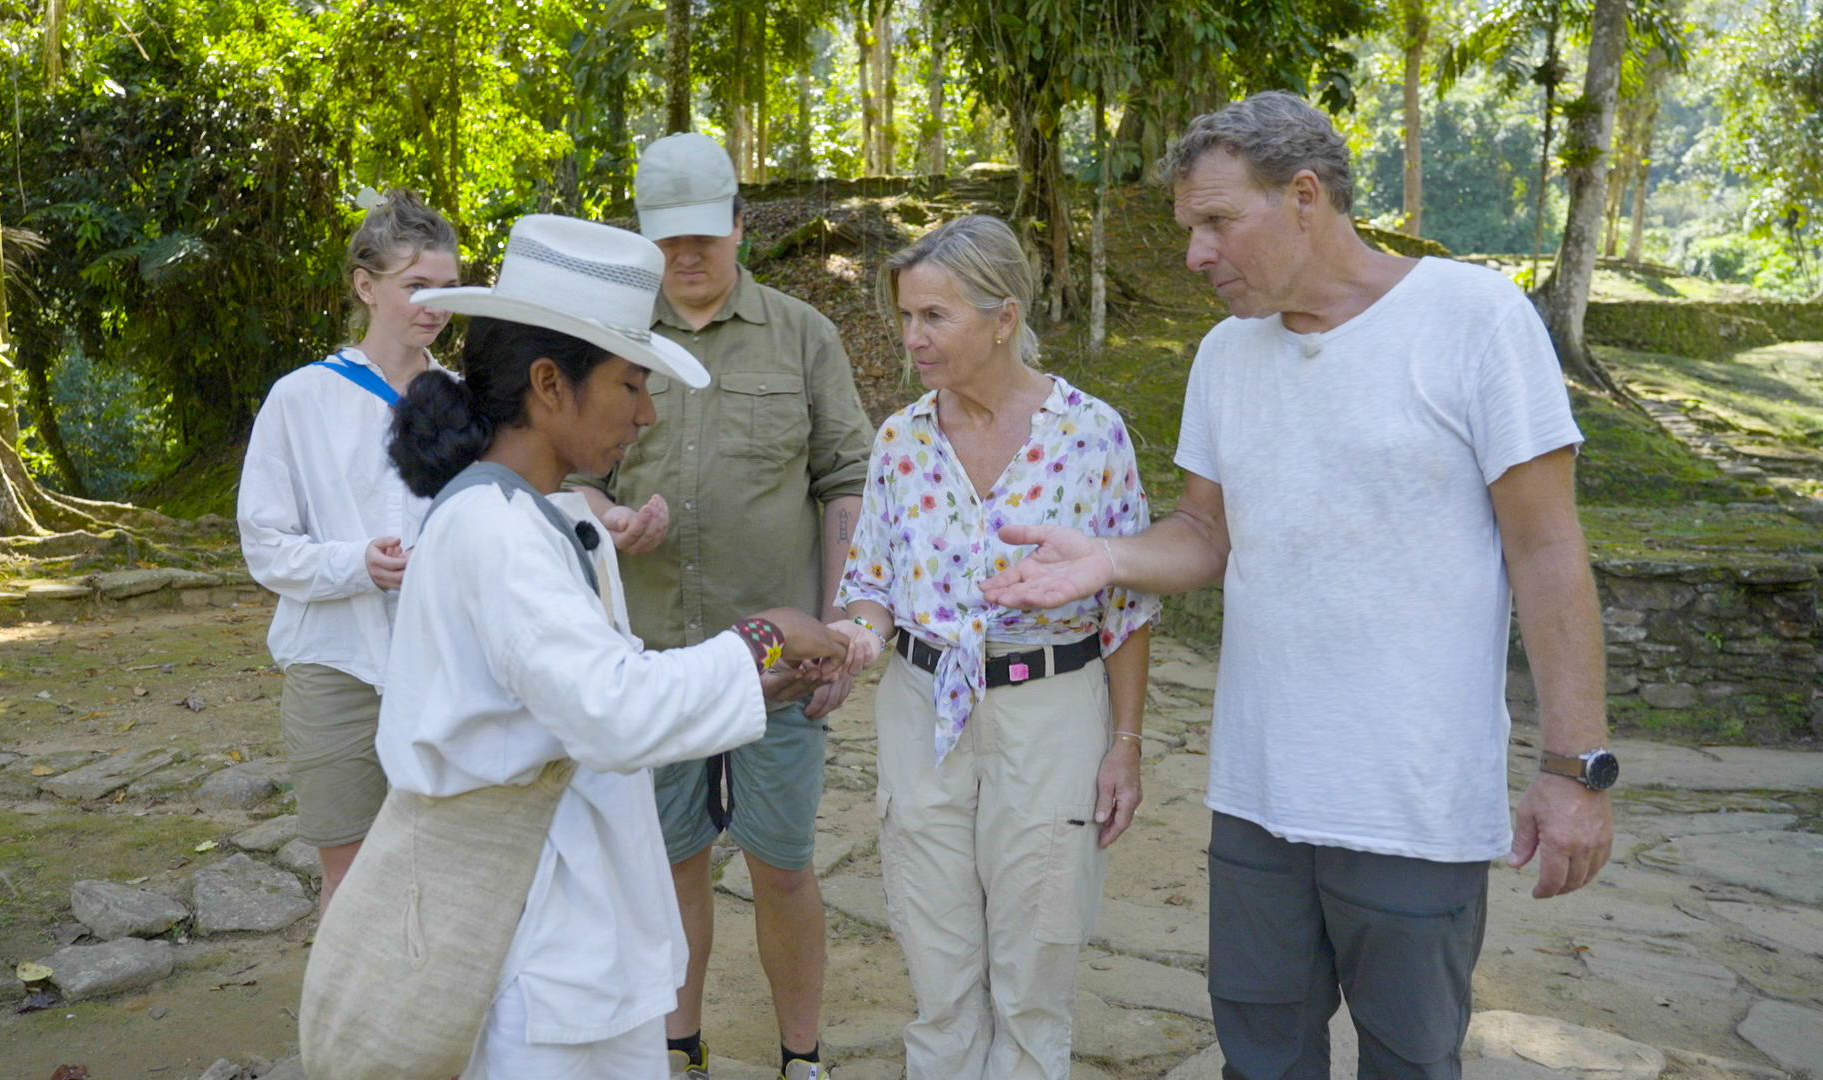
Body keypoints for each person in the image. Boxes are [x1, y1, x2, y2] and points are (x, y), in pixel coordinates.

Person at [981, 92, 1617, 1080]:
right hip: (1258, 798)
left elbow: (1546, 548)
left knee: (1411, 1061)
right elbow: (1203, 533)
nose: (1195, 252)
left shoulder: (1473, 317)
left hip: (1412, 804)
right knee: (1260, 1057)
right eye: (1190, 227)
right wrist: (1107, 559)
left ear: (1306, 196)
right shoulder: (1227, 356)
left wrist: (1574, 769)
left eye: (1217, 222)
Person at [376, 214, 848, 1079]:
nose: (647, 412)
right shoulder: (499, 533)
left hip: (570, 930)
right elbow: (613, 712)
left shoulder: (538, 519)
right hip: (542, 955)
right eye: (631, 384)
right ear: (551, 385)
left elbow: (599, 687)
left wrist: (760, 681)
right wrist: (764, 636)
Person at [565, 132, 873, 1080]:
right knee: (670, 866)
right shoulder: (612, 340)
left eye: (705, 234)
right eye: (667, 240)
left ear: (740, 225)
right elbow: (564, 474)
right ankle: (679, 1048)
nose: (687, 256)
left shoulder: (802, 334)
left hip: (781, 666)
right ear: (644, 238)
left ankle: (801, 1058)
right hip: (650, 661)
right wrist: (607, 513)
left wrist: (840, 627)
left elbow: (847, 480)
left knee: (783, 865)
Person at [827, 214, 1157, 1080]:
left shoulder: (1092, 436)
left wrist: (1124, 744)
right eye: (905, 316)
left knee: (1035, 969)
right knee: (938, 973)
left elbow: (1126, 607)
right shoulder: (900, 439)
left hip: (1051, 710)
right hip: (920, 708)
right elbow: (871, 579)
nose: (911, 338)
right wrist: (860, 633)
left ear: (1003, 316)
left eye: (934, 317)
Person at [236, 188, 461, 912]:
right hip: (335, 667)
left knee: (443, 867)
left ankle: (430, 1023)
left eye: (449, 289)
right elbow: (265, 544)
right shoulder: (300, 399)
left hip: (444, 668)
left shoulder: (462, 403)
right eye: (415, 286)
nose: (434, 305)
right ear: (366, 286)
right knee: (352, 875)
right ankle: (346, 1027)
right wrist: (355, 564)